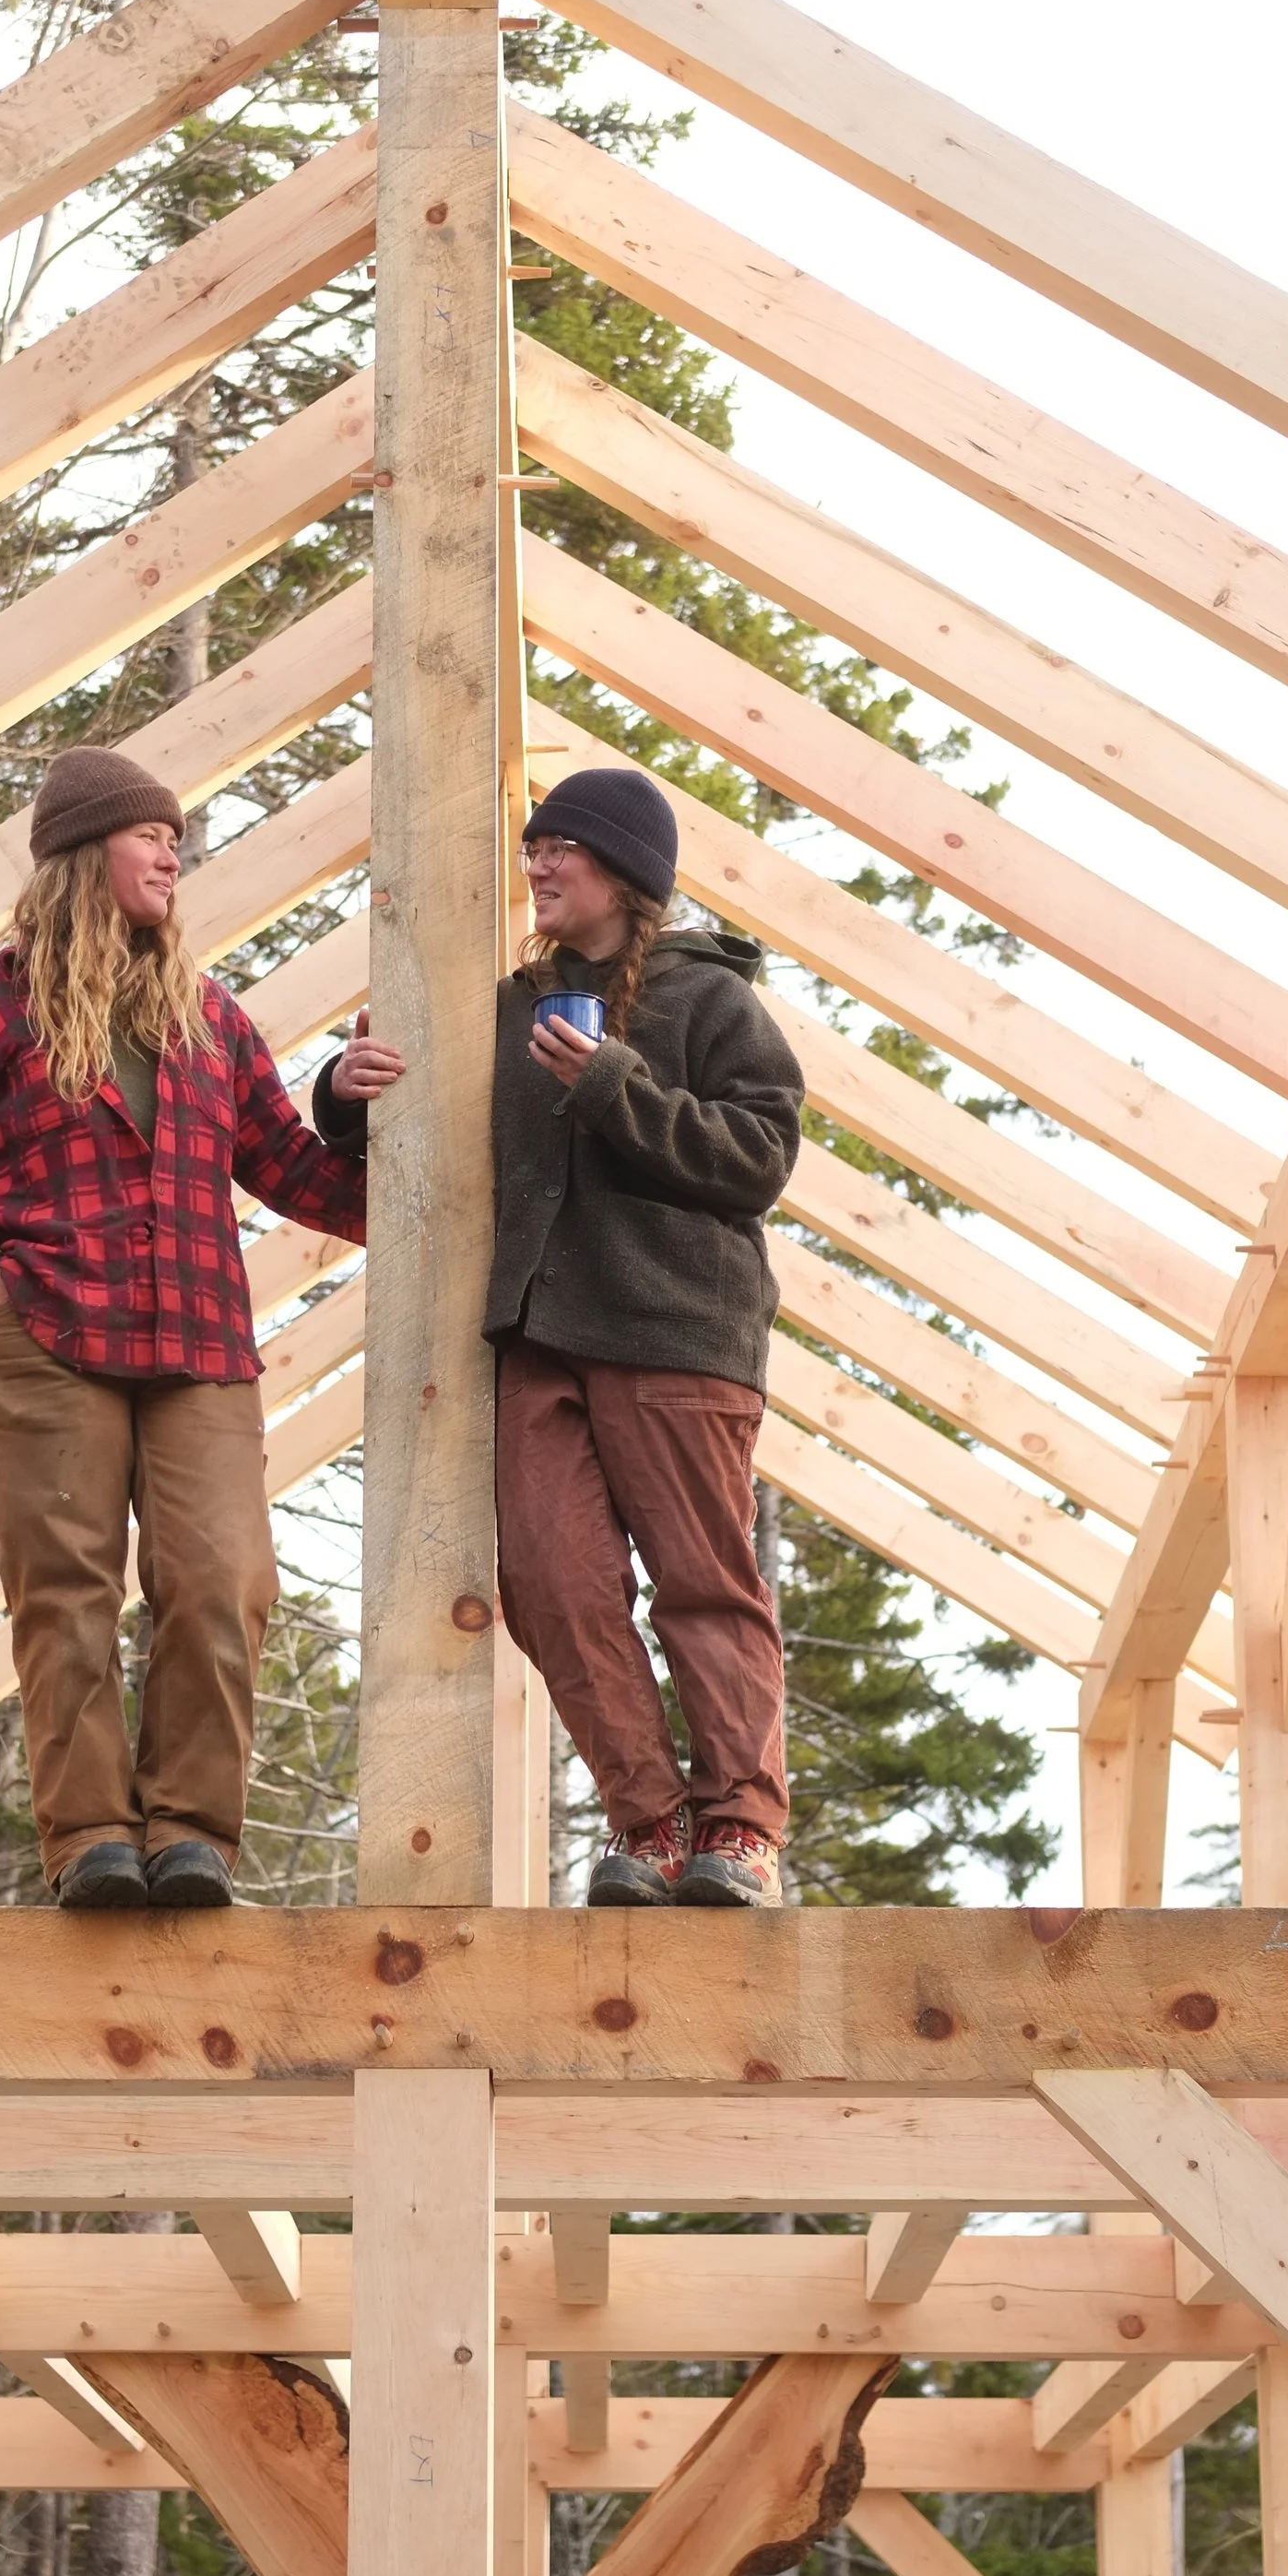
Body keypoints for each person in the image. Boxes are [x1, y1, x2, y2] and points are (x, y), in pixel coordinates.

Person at [0, 743, 403, 1912]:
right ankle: (90, 1842)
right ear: (82, 853)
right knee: (64, 1595)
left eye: (177, 837)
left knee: (223, 1582)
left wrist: (359, 1115)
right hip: (47, 1333)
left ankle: (192, 1836)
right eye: (148, 834)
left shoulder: (208, 1015)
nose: (174, 852)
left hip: (198, 1345)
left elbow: (294, 1171)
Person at [490, 762, 803, 1907]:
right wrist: (344, 1093)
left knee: (701, 1585)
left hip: (677, 1328)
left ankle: (741, 1833)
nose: (537, 865)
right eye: (531, 849)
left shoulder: (708, 1000)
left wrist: (613, 1083)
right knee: (548, 1581)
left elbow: (758, 1158)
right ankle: (653, 1824)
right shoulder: (511, 1006)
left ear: (623, 870)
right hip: (539, 1334)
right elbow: (424, 1147)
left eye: (558, 847)